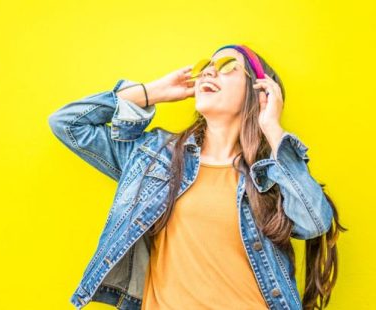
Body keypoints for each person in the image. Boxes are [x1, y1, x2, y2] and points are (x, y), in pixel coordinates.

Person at [48, 44, 347, 310]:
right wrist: (153, 92)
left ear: (260, 92)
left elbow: (315, 222)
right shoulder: (155, 156)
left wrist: (272, 128)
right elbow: (67, 123)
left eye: (227, 67)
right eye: (205, 67)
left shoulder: (269, 173)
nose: (208, 73)